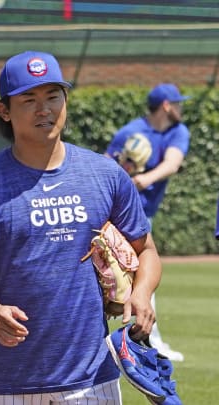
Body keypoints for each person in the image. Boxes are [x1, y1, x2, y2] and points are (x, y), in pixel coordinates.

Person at [0, 50, 161, 403]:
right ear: (4, 111)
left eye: (53, 96)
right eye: (28, 99)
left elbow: (147, 250)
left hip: (93, 375)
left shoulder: (105, 174)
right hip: (9, 377)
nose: (44, 109)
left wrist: (141, 295)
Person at [105, 83, 190, 362]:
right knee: (128, 275)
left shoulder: (178, 131)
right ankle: (148, 342)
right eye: (177, 103)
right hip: (117, 215)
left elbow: (172, 163)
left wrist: (143, 179)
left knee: (136, 275)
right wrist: (125, 168)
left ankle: (143, 340)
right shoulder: (130, 132)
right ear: (166, 106)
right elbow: (106, 166)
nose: (180, 108)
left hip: (142, 215)